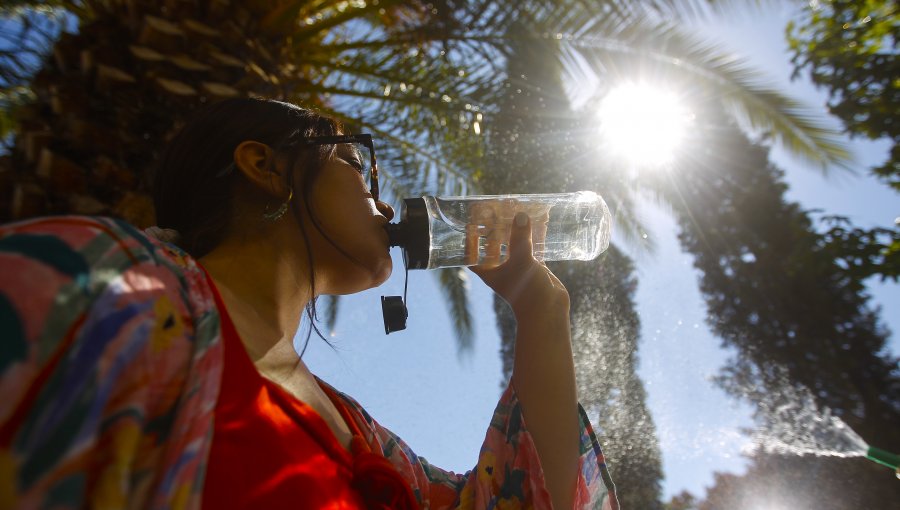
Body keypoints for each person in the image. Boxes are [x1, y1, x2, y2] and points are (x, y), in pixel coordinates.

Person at [0, 98, 618, 509]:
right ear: (264, 166)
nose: (381, 200)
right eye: (356, 163)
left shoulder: (360, 433)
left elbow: (515, 500)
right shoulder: (103, 282)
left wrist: (540, 307)